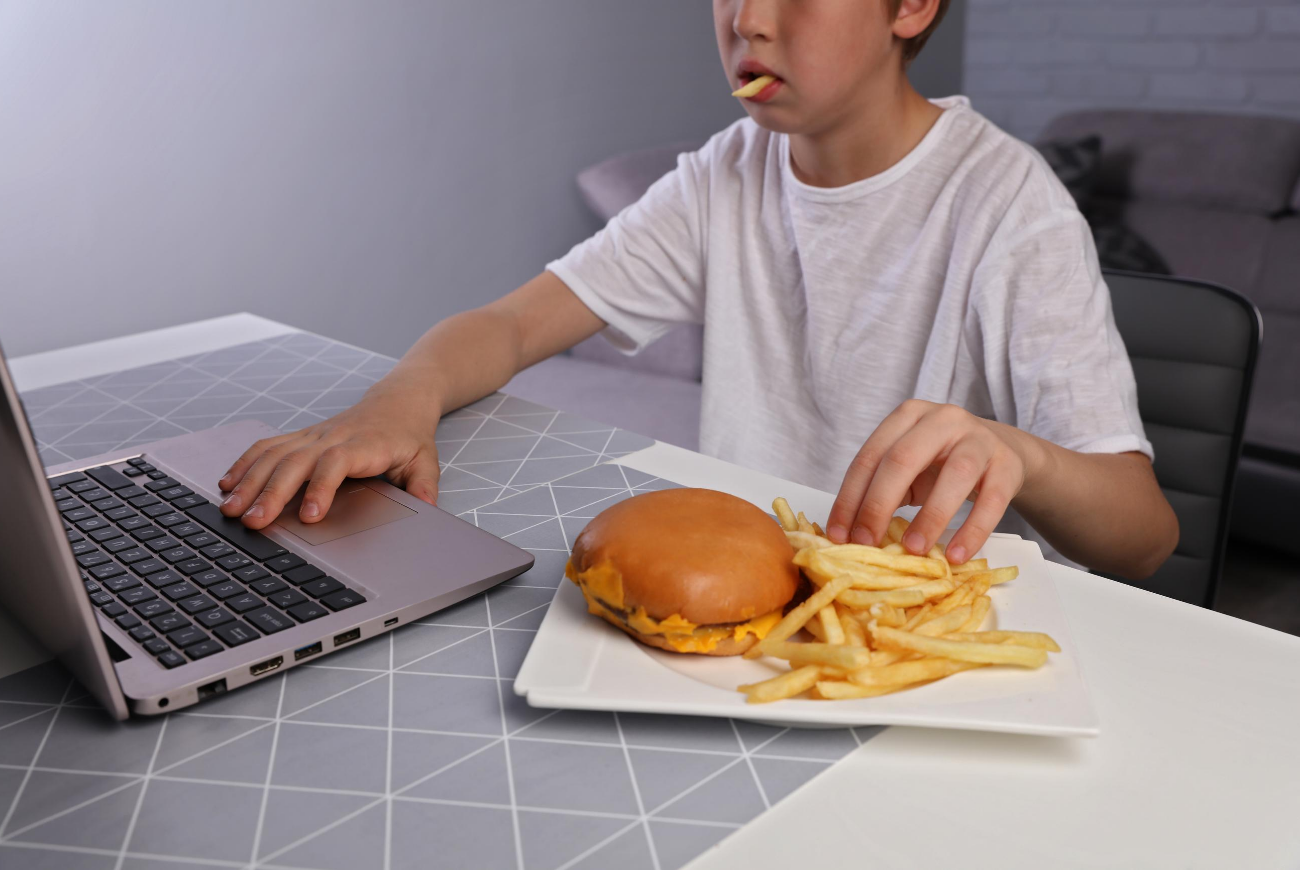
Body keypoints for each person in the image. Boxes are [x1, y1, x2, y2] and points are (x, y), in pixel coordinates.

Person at [218, 0, 1178, 578]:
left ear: (911, 6)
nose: (748, 21)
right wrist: (398, 401)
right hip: (760, 600)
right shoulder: (731, 169)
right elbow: (512, 325)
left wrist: (1019, 454)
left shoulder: (1010, 202)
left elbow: (1143, 537)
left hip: (928, 632)